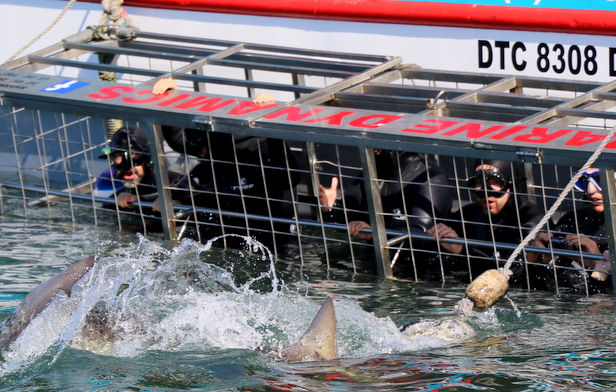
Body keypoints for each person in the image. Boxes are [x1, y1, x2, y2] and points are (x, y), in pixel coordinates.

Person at [150, 78, 298, 248]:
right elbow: (178, 141)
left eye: (200, 148)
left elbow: (291, 178)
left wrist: (271, 120)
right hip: (231, 235)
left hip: (273, 239)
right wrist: (171, 98)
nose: (199, 154)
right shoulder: (214, 148)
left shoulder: (258, 147)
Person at [317, 150, 453, 274]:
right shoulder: (374, 172)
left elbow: (423, 234)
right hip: (375, 263)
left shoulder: (430, 176)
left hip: (419, 272)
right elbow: (347, 219)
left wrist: (375, 234)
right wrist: (329, 209)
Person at [427, 160, 544, 284]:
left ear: (510, 186)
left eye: (496, 182)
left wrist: (462, 251)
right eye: (479, 182)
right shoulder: (467, 214)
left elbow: (511, 272)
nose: (486, 191)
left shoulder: (532, 218)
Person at [530, 168, 616, 293]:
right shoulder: (572, 219)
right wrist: (535, 262)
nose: (591, 191)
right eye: (585, 181)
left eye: (600, 180)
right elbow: (534, 286)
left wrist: (598, 264)